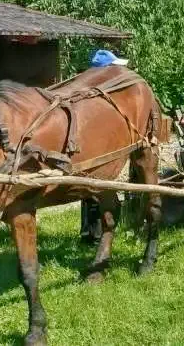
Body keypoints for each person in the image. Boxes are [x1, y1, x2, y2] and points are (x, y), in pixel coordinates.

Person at [81, 49, 129, 244]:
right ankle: (95, 233)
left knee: (88, 189)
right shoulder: (101, 90)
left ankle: (89, 232)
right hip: (97, 146)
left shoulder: (87, 88)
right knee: (94, 188)